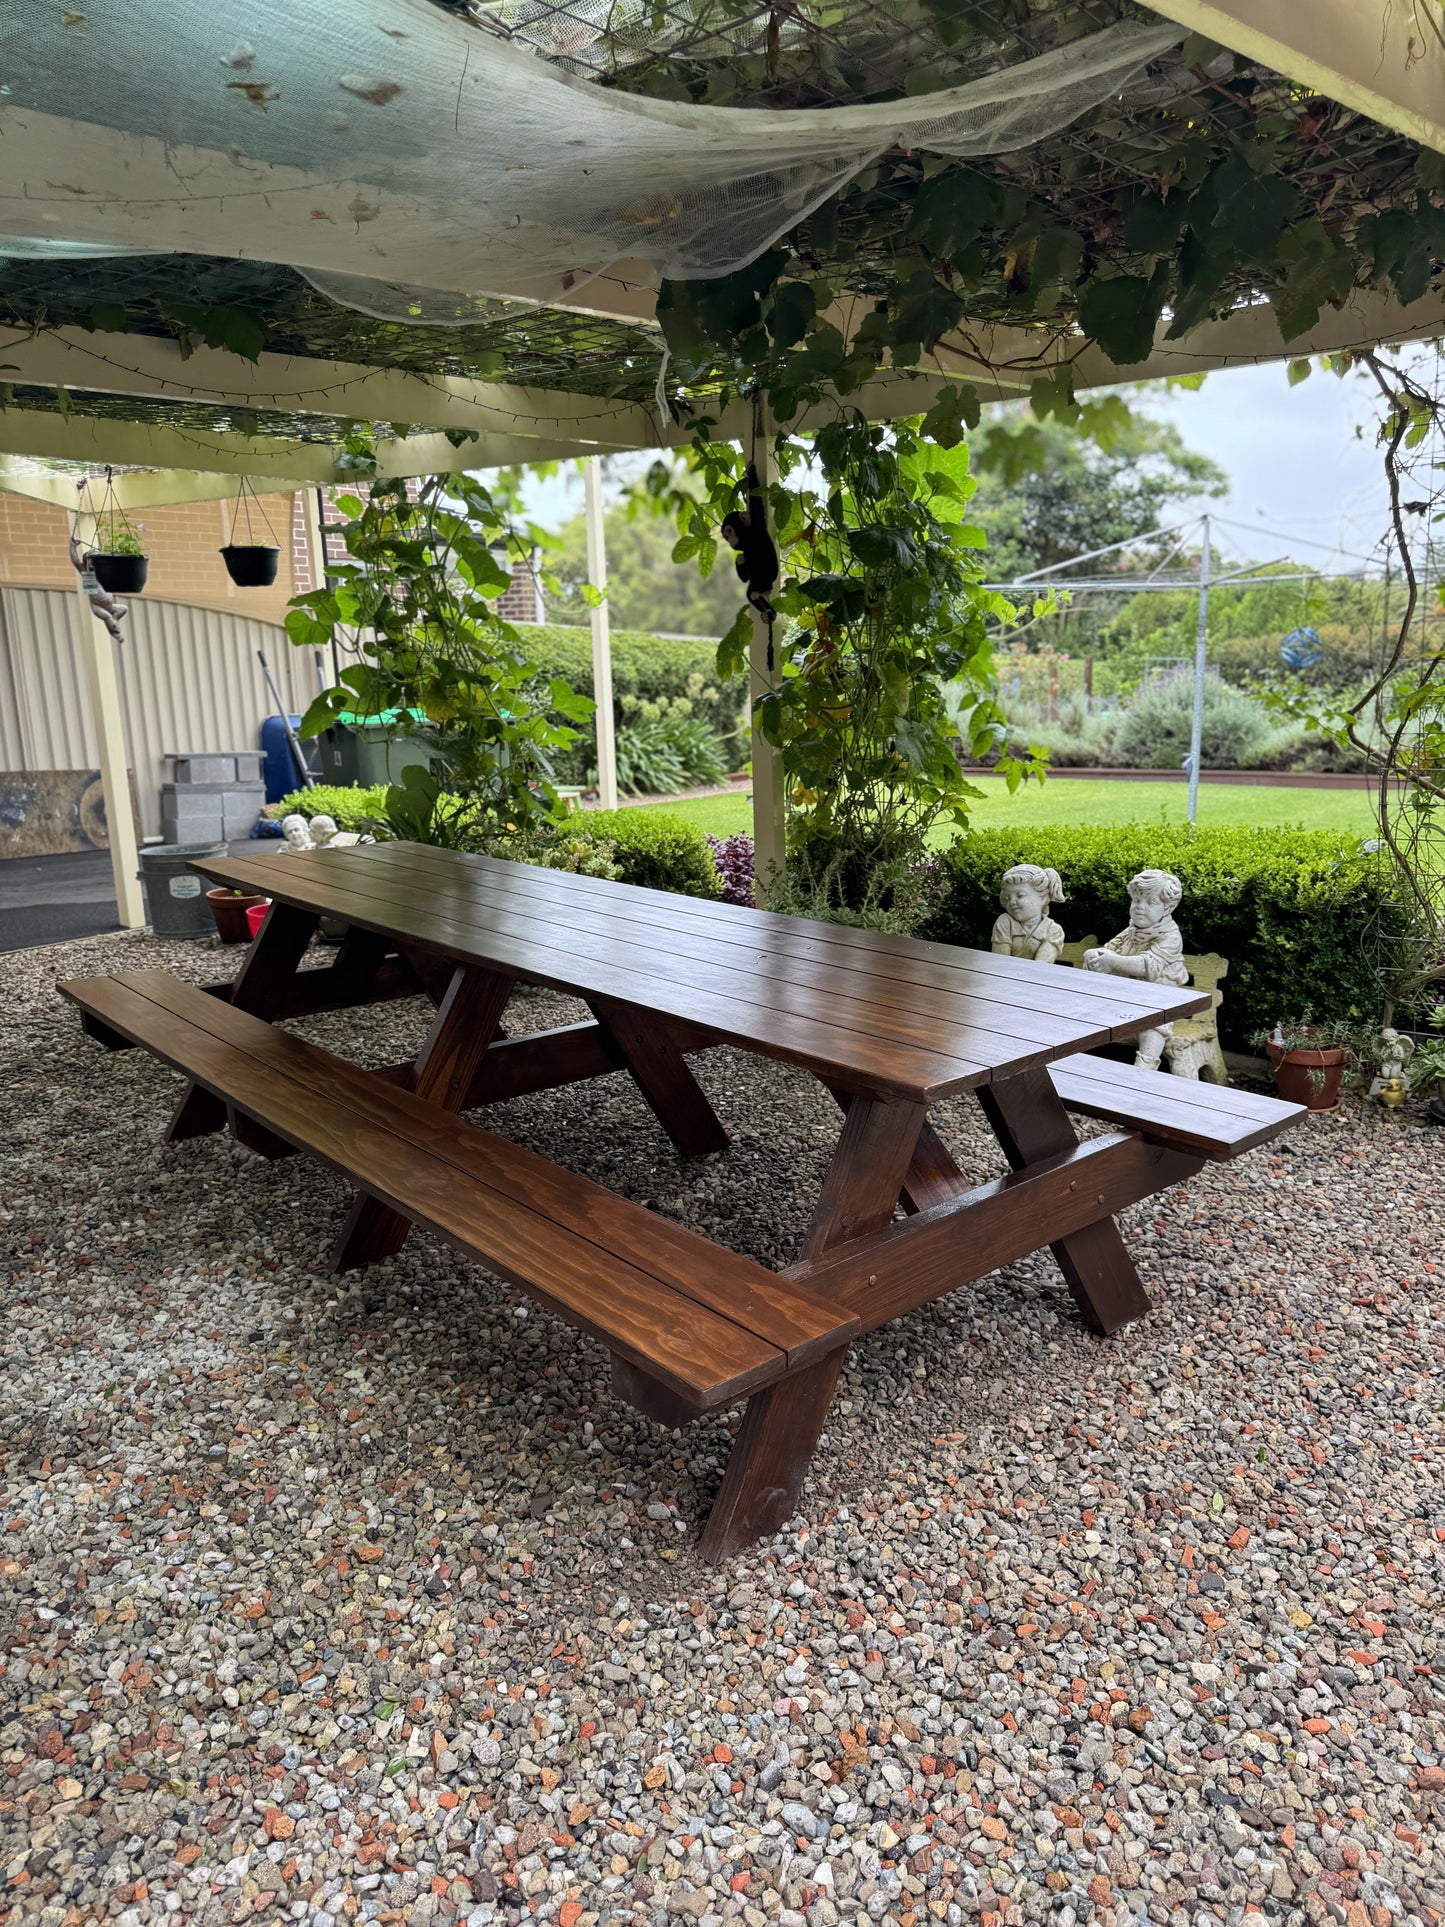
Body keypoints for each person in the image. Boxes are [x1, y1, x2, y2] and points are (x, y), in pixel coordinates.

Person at [1084, 869, 1190, 1071]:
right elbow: (1110, 948)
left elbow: (1147, 964)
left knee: (1154, 1026)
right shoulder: (1132, 930)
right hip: (1128, 996)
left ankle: (1145, 1066)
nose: (1140, 907)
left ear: (1167, 908)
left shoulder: (1170, 936)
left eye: (1151, 902)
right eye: (1136, 901)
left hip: (1159, 999)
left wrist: (1114, 962)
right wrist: (1095, 955)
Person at [991, 864, 1067, 965]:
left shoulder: (1053, 930)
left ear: (1043, 898)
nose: (1012, 902)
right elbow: (1000, 962)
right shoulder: (1005, 922)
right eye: (1007, 898)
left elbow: (1041, 966)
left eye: (1020, 895)